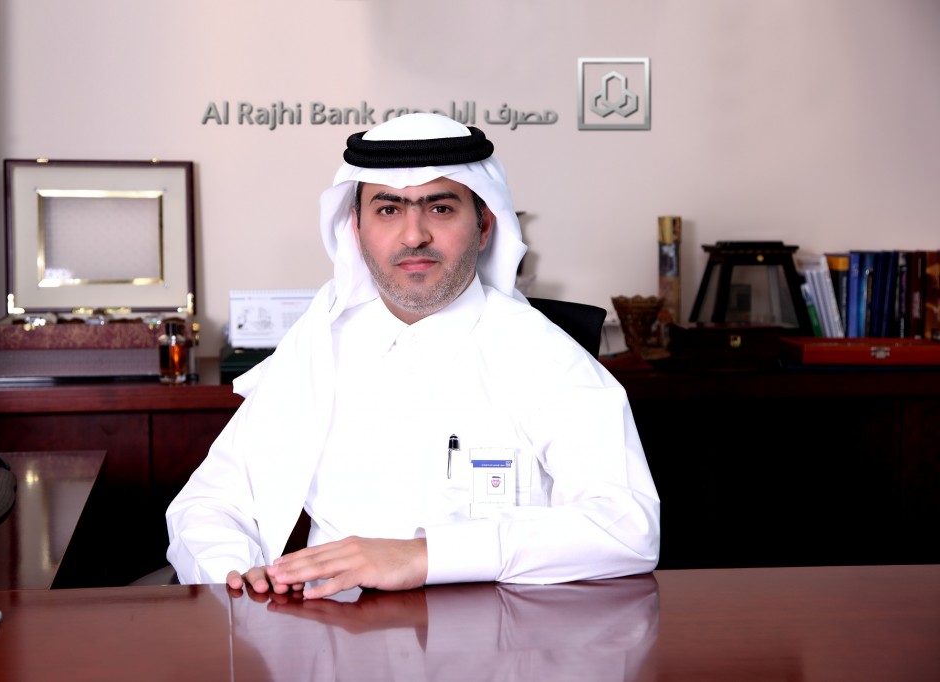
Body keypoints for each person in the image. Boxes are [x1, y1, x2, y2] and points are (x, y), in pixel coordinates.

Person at [166, 112, 659, 599]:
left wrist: (424, 557)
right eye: (388, 210)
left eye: (440, 208)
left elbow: (627, 526)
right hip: (327, 632)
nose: (413, 235)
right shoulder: (317, 346)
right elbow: (208, 505)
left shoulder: (542, 354)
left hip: (499, 634)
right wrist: (239, 577)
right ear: (355, 230)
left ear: (484, 226)